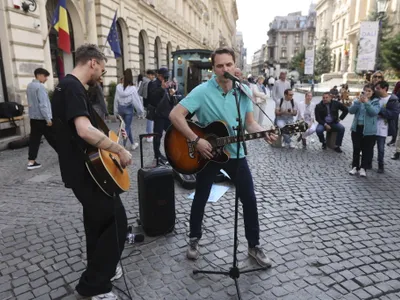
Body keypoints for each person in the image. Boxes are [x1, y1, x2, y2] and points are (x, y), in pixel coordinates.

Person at [169, 47, 277, 268]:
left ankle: (254, 245)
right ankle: (194, 238)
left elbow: (249, 124)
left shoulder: (244, 91)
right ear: (213, 68)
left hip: (236, 154)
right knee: (201, 195)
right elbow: (174, 115)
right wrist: (195, 140)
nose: (225, 69)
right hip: (207, 154)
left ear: (235, 66)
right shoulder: (202, 91)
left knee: (249, 198)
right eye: (220, 65)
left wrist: (263, 131)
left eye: (229, 64)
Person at [51, 44, 132, 300]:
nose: (102, 75)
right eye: (102, 69)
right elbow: (84, 131)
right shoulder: (74, 87)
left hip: (83, 171)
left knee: (97, 224)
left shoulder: (66, 86)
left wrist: (112, 138)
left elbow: (87, 132)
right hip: (87, 174)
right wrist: (118, 148)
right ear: (93, 63)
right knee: (117, 221)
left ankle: (103, 268)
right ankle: (95, 286)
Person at [26, 67, 58, 170]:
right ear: (39, 75)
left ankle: (31, 161)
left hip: (33, 118)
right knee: (54, 138)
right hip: (43, 119)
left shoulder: (29, 86)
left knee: (34, 140)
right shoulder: (40, 87)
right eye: (45, 76)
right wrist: (48, 119)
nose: (46, 79)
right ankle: (65, 155)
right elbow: (43, 105)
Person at [348, 84, 380, 177]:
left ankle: (363, 168)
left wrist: (366, 103)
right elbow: (351, 111)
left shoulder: (375, 102)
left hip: (369, 130)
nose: (367, 93)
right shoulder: (358, 100)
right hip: (357, 127)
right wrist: (357, 102)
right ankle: (355, 167)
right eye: (365, 91)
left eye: (369, 91)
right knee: (356, 148)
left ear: (373, 92)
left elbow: (373, 112)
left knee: (367, 149)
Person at [373, 81, 400, 173]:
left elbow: (394, 114)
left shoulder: (392, 99)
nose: (376, 90)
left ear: (385, 88)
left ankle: (381, 166)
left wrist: (380, 111)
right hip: (372, 127)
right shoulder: (374, 98)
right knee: (368, 146)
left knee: (381, 148)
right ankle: (367, 163)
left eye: (378, 88)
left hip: (383, 128)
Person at [113, 69, 143, 151]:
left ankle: (133, 143)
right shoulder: (132, 88)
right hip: (128, 109)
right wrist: (140, 111)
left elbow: (116, 99)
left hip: (120, 108)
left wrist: (115, 111)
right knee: (127, 127)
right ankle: (123, 146)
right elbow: (136, 100)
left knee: (125, 127)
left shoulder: (118, 87)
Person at [138, 70, 156, 142]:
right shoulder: (151, 82)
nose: (153, 77)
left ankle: (148, 133)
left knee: (149, 118)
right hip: (151, 102)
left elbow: (139, 92)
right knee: (151, 119)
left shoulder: (143, 81)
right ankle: (149, 135)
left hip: (146, 102)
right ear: (149, 75)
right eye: (152, 75)